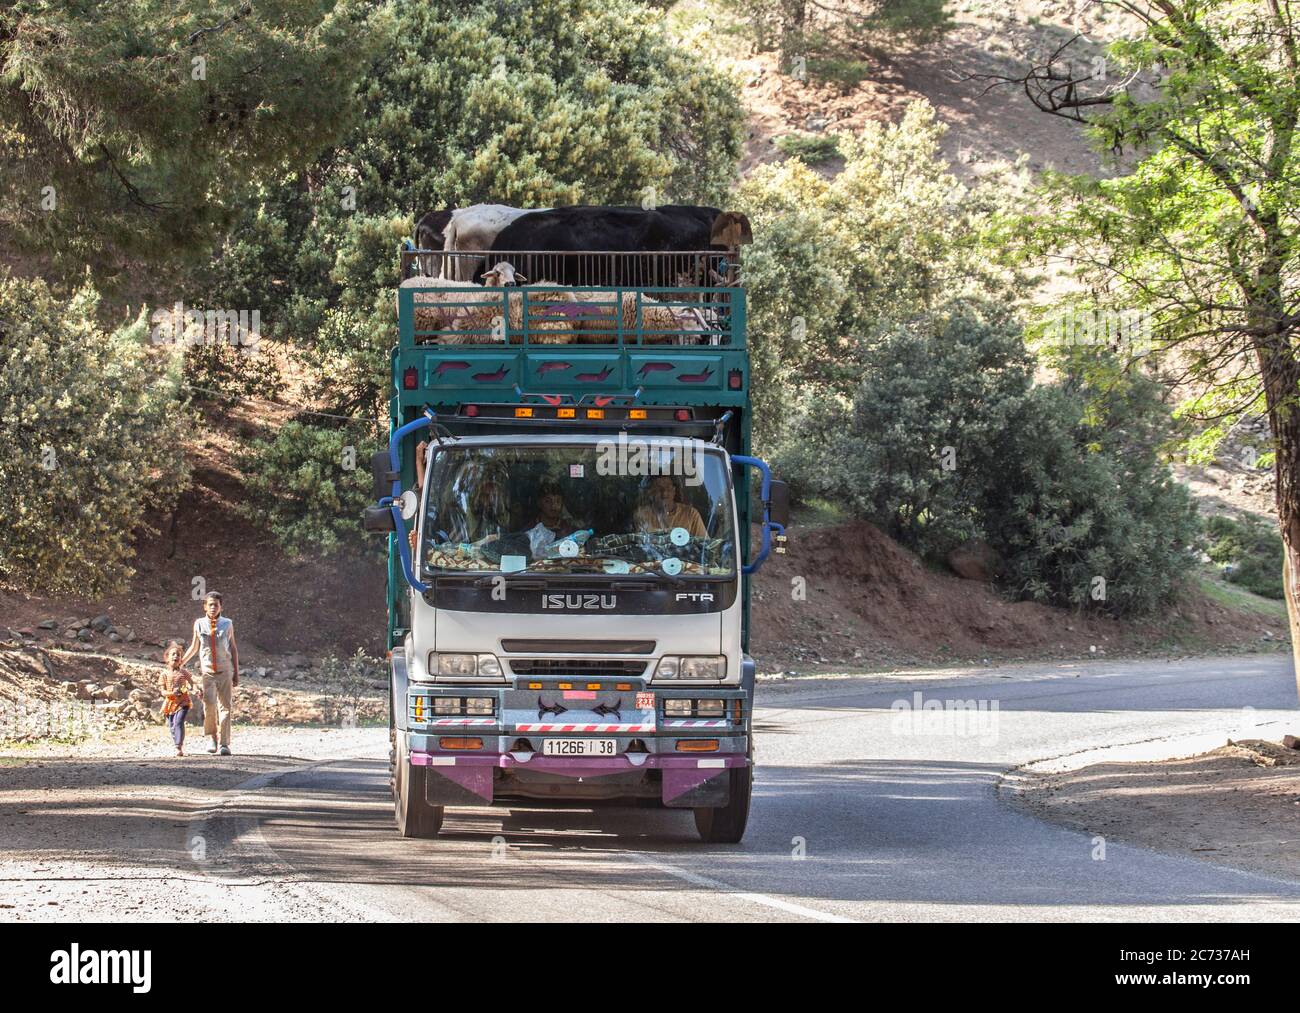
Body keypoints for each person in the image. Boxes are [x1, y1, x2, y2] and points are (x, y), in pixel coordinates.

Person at [181, 591, 240, 756]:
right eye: (210, 604)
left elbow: (233, 649)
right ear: (205, 606)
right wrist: (180, 663)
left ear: (221, 606)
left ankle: (224, 744)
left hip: (225, 671)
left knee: (225, 707)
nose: (213, 607)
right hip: (207, 672)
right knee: (209, 705)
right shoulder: (199, 624)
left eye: (216, 604)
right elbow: (194, 647)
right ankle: (212, 737)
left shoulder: (227, 624)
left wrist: (236, 673)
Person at [633, 475, 706, 537]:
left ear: (674, 491)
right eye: (659, 489)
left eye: (668, 488)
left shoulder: (691, 514)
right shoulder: (643, 514)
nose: (664, 493)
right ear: (652, 492)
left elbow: (704, 545)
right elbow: (639, 544)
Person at [526, 483, 580, 556]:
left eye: (558, 501)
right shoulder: (530, 530)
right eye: (548, 501)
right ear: (539, 503)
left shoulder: (569, 531)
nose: (553, 506)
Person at [160, 641, 194, 757]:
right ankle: (176, 743)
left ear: (181, 659)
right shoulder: (164, 674)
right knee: (172, 725)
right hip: (170, 703)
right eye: (173, 654)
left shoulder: (184, 673)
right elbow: (162, 691)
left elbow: (192, 684)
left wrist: (196, 690)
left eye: (178, 655)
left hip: (183, 702)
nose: (176, 656)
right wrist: (171, 693)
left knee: (178, 722)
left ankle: (178, 747)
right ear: (167, 658)